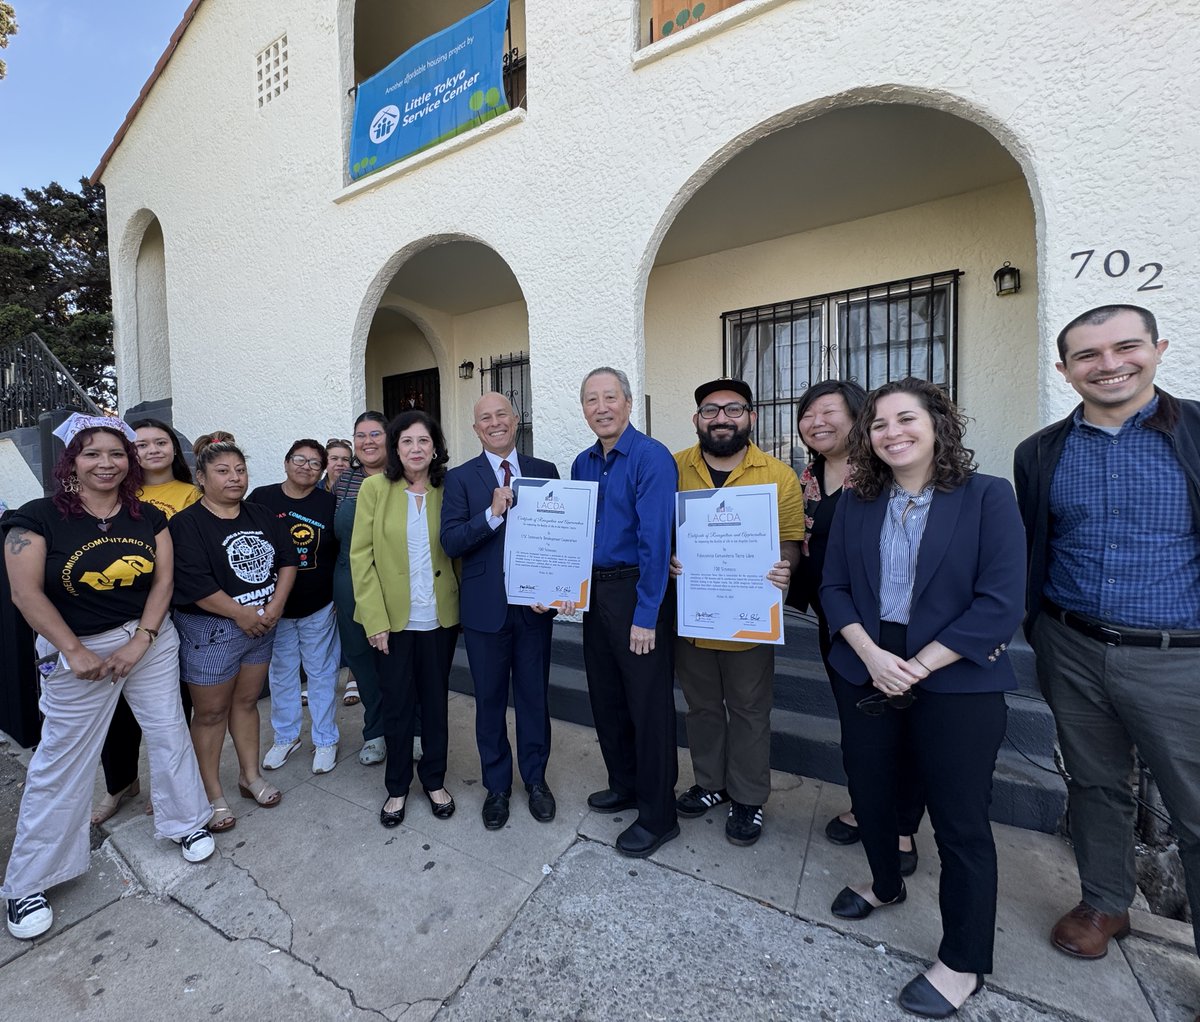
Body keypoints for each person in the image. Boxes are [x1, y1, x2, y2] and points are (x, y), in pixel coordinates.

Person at [820, 378, 1025, 1018]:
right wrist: (874, 657)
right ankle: (884, 884)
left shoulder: (988, 497)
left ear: (938, 423)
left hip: (957, 676)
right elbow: (832, 589)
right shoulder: (857, 502)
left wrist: (918, 665)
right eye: (877, 424)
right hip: (870, 667)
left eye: (905, 419)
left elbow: (1000, 602)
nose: (891, 433)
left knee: (960, 821)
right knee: (872, 791)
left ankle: (963, 960)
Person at [1015, 304, 1200, 965]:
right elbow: (1040, 543)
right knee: (1094, 784)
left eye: (1126, 347)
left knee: (1195, 806)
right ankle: (1104, 902)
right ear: (1066, 372)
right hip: (1072, 644)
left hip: (1179, 657)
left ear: (1158, 348)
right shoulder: (1039, 452)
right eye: (1089, 355)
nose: (1110, 364)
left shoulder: (1197, 433)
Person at [2, 414, 214, 940]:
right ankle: (29, 880)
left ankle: (187, 822)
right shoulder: (37, 519)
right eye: (92, 453)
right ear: (71, 460)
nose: (106, 462)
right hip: (78, 650)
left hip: (148, 640)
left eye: (116, 453)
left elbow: (163, 581)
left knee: (167, 730)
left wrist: (142, 638)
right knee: (63, 756)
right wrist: (73, 650)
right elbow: (25, 594)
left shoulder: (147, 517)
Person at [791, 381, 924, 872]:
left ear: (860, 417)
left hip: (892, 622)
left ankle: (903, 827)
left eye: (831, 411)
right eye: (808, 414)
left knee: (902, 723)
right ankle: (865, 806)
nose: (817, 421)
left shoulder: (886, 473)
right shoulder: (807, 475)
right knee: (858, 722)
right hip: (836, 620)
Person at [670, 378, 802, 846]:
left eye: (733, 409)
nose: (721, 418)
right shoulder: (674, 469)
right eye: (710, 410)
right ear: (697, 420)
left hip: (749, 616)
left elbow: (789, 538)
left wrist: (785, 567)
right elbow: (661, 532)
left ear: (752, 417)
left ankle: (748, 797)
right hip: (694, 614)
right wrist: (668, 558)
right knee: (701, 707)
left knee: (749, 709)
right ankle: (711, 784)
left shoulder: (778, 475)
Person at [568, 367, 679, 858]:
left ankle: (659, 815)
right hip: (596, 594)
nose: (601, 407)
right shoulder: (582, 463)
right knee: (607, 696)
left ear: (629, 403)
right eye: (591, 399)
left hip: (637, 591)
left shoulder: (652, 458)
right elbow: (574, 534)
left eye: (610, 397)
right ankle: (625, 784)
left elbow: (656, 539)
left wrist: (647, 614)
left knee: (648, 707)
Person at [441, 392, 559, 830]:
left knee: (534, 698)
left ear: (516, 419)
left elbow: (559, 537)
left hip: (534, 609)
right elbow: (450, 541)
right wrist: (491, 515)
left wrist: (557, 585)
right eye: (484, 418)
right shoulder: (459, 479)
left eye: (501, 415)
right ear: (476, 429)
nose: (494, 423)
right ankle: (497, 786)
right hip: (485, 610)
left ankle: (537, 780)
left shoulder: (544, 471)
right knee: (489, 702)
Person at [169, 436, 298, 831]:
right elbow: (194, 582)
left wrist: (274, 606)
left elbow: (288, 560)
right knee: (209, 713)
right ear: (201, 477)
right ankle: (211, 794)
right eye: (223, 471)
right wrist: (241, 614)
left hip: (262, 625)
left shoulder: (260, 514)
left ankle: (249, 776)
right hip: (212, 630)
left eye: (239, 470)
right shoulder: (186, 524)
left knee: (246, 703)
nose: (234, 478)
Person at [351, 411, 459, 828]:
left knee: (434, 705)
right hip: (392, 623)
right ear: (396, 448)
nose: (416, 449)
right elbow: (361, 556)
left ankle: (434, 779)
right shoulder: (375, 489)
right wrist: (374, 619)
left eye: (423, 441)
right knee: (396, 706)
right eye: (407, 442)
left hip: (440, 618)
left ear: (435, 448)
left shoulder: (449, 489)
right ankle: (396, 787)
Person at [92, 417, 202, 825]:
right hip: (115, 612)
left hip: (177, 612)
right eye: (141, 444)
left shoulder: (192, 493)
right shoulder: (114, 493)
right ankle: (120, 783)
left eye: (161, 442)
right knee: (115, 710)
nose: (152, 450)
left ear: (174, 448)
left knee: (171, 711)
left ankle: (170, 786)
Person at [249, 440, 341, 775]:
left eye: (315, 463)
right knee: (282, 675)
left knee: (322, 673)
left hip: (319, 605)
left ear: (322, 471)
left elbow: (341, 551)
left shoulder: (329, 502)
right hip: (275, 609)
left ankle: (326, 739)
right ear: (286, 462)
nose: (306, 466)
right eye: (299, 459)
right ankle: (286, 736)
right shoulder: (262, 498)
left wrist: (338, 598)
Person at [332, 412, 390, 757]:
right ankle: (376, 731)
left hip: (393, 580)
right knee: (361, 660)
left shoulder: (404, 477)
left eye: (375, 434)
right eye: (360, 436)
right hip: (349, 580)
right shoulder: (343, 482)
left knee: (400, 659)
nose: (367, 442)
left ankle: (412, 728)